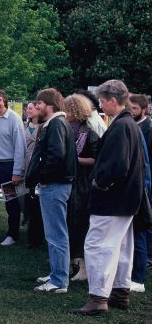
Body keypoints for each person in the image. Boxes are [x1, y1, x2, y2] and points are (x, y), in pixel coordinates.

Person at [73, 80, 146, 315]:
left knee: (98, 245)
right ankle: (119, 292)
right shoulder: (130, 124)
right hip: (127, 199)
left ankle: (98, 298)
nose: (101, 106)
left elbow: (116, 166)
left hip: (112, 200)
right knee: (122, 246)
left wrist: (99, 183)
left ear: (113, 101)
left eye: (103, 101)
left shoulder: (121, 126)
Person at [26, 88, 77, 294]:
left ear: (49, 105)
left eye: (39, 103)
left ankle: (58, 280)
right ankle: (57, 273)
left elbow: (55, 155)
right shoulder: (56, 123)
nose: (36, 107)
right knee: (55, 234)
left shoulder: (56, 123)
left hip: (54, 186)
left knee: (56, 234)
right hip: (55, 185)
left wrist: (44, 179)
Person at [0, 88, 26, 247]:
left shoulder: (14, 119)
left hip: (9, 167)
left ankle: (12, 235)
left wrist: (17, 172)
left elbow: (20, 147)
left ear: (4, 101)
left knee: (11, 202)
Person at [64, 94, 100, 282]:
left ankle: (82, 265)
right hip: (69, 182)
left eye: (67, 109)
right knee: (68, 223)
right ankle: (69, 261)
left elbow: (95, 159)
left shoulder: (90, 132)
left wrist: (74, 160)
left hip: (82, 184)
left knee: (79, 224)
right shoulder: (67, 128)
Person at [129, 93, 151, 292]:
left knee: (140, 233)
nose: (131, 111)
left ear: (144, 109)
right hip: (136, 185)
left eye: (134, 108)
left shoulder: (147, 129)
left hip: (143, 186)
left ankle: (138, 278)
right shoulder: (133, 127)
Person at [23, 101, 44, 249]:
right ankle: (26, 221)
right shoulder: (23, 125)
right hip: (24, 163)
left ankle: (36, 233)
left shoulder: (44, 127)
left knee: (35, 199)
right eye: (27, 108)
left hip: (37, 165)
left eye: (32, 108)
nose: (29, 110)